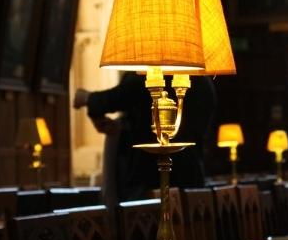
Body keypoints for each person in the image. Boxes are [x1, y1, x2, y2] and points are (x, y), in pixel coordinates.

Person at [73, 73, 217, 203]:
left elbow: (113, 98)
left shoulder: (152, 74)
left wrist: (86, 98)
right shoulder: (203, 81)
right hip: (192, 178)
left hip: (148, 181)